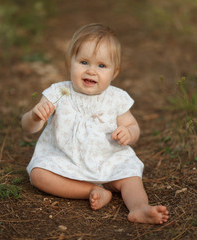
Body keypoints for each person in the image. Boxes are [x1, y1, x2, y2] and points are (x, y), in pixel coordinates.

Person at [21, 23, 169, 224]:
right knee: (38, 175)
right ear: (69, 62)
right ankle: (91, 190)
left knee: (130, 177)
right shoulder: (58, 93)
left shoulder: (116, 98)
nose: (91, 71)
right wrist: (35, 116)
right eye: (83, 62)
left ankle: (139, 208)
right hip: (66, 161)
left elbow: (133, 126)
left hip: (108, 160)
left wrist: (129, 132)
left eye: (101, 66)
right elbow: (28, 127)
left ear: (114, 72)